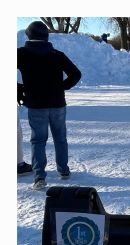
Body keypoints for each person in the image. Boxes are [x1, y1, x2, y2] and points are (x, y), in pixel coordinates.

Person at [17, 20, 81, 190]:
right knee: (60, 138)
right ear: (46, 36)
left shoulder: (20, 54)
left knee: (38, 140)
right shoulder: (56, 54)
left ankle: (40, 178)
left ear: (29, 36)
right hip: (58, 103)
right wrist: (62, 87)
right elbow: (76, 74)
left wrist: (19, 89)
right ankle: (64, 171)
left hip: (36, 104)